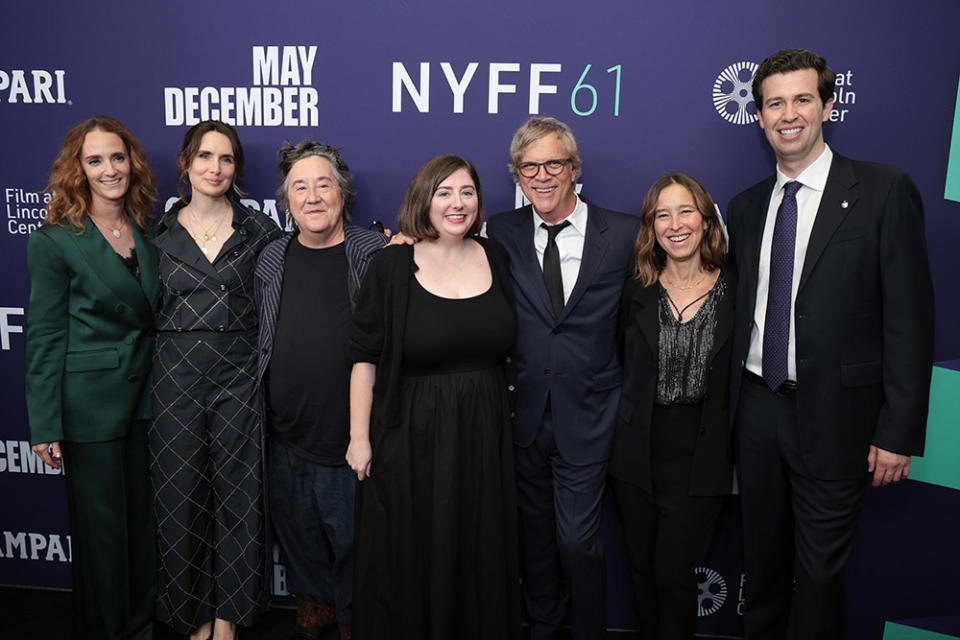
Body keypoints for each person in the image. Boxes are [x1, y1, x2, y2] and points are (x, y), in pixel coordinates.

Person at [726, 48, 934, 638]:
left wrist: (897, 432)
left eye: (801, 99)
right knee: (760, 568)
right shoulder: (745, 207)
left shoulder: (884, 191)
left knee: (818, 578)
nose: (787, 114)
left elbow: (910, 321)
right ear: (759, 116)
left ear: (827, 106)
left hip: (839, 417)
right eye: (774, 103)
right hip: (757, 411)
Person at [347, 154, 520, 640]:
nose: (457, 203)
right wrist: (359, 438)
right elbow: (364, 357)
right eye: (444, 192)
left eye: (467, 192)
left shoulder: (496, 256)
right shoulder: (392, 265)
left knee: (477, 549)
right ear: (423, 200)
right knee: (412, 552)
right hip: (411, 437)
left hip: (484, 435)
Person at [485, 117, 639, 640]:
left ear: (574, 169)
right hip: (522, 419)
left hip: (591, 417)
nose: (542, 176)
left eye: (554, 164)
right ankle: (544, 627)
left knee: (577, 540)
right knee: (535, 541)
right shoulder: (500, 232)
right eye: (530, 167)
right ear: (518, 175)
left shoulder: (621, 233)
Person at [25, 115, 159, 640]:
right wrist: (44, 423)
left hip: (148, 400)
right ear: (77, 169)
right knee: (103, 536)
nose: (110, 170)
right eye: (96, 159)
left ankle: (141, 626)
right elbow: (43, 336)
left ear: (133, 163)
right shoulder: (54, 241)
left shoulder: (147, 228)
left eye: (118, 158)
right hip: (89, 407)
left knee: (141, 531)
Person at [150, 120, 283, 640]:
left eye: (226, 159)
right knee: (179, 498)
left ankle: (228, 618)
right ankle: (194, 617)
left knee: (237, 497)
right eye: (205, 156)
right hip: (173, 380)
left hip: (238, 377)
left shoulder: (260, 232)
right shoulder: (156, 233)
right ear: (186, 163)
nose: (215, 168)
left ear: (237, 169)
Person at [254, 141, 387, 640]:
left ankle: (354, 617)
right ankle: (315, 605)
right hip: (285, 434)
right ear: (286, 200)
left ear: (343, 193)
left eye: (323, 184)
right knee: (298, 532)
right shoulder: (271, 257)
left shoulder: (372, 252)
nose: (312, 197)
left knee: (354, 541)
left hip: (351, 435)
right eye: (299, 187)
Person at [608, 172, 733, 639]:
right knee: (642, 575)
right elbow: (619, 361)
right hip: (637, 453)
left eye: (686, 211)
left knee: (672, 576)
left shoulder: (736, 291)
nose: (675, 224)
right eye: (663, 214)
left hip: (701, 456)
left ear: (706, 220)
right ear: (651, 226)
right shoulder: (635, 289)